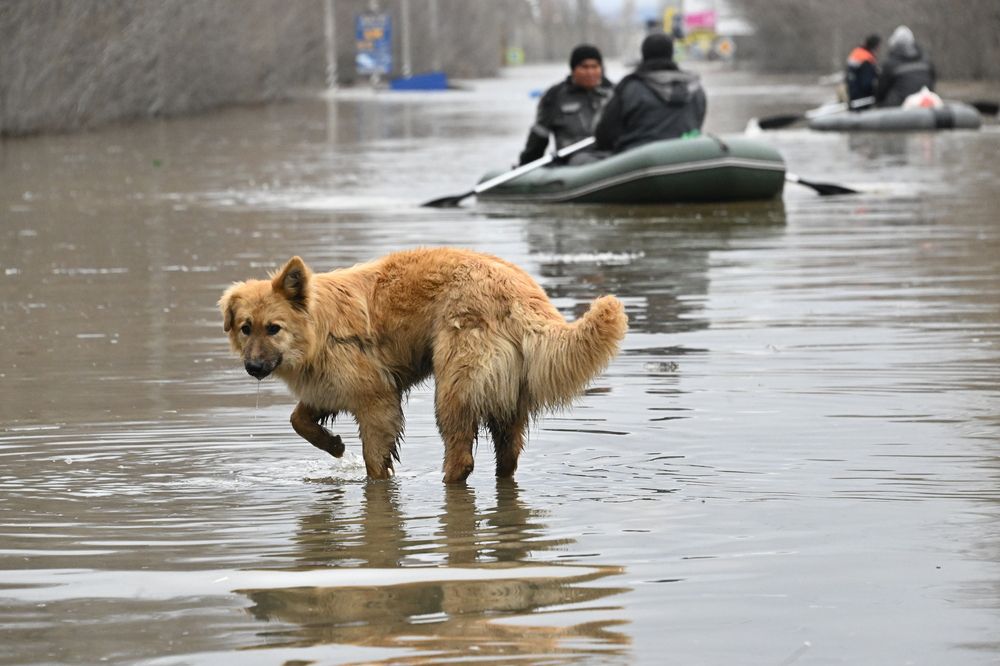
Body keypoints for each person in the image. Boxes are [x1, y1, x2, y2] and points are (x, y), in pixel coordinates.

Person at [594, 33, 706, 155]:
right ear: (671, 53)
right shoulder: (696, 89)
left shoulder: (629, 87)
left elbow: (605, 134)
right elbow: (696, 125)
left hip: (636, 161)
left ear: (644, 53)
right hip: (686, 157)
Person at [517, 44, 613, 166]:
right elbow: (538, 137)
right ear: (573, 69)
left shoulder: (613, 93)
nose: (590, 72)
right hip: (572, 160)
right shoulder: (555, 96)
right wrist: (525, 164)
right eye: (584, 67)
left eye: (595, 67)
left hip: (610, 156)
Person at [875, 26, 936, 107]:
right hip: (924, 105)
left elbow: (881, 90)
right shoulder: (926, 61)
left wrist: (878, 102)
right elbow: (932, 81)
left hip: (899, 108)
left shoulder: (890, 64)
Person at [845, 34, 880, 108]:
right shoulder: (866, 59)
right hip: (862, 100)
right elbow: (867, 84)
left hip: (853, 95)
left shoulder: (857, 52)